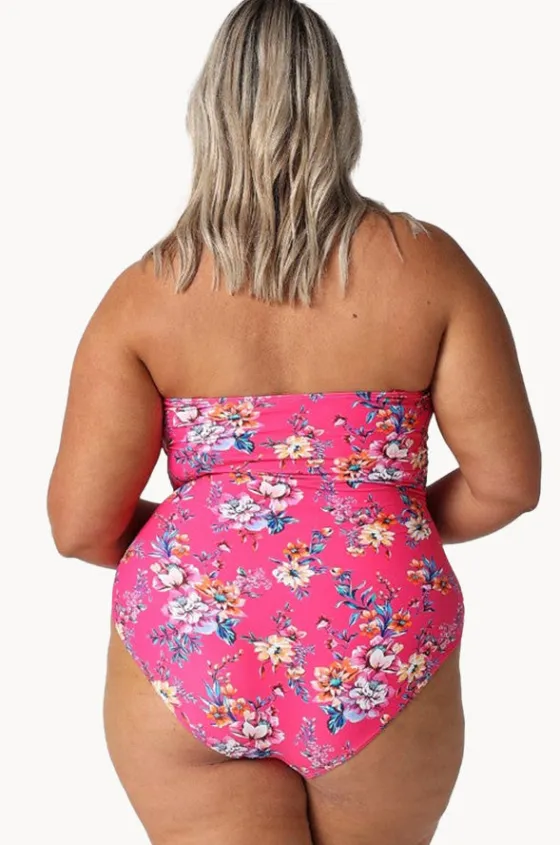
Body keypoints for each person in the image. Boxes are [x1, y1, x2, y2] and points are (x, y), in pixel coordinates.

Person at [47, 1, 541, 843]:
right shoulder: (429, 268)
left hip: (195, 631)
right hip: (377, 621)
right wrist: (373, 522)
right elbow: (509, 484)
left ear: (207, 115)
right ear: (341, 112)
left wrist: (219, 540)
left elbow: (80, 527)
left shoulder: (145, 295)